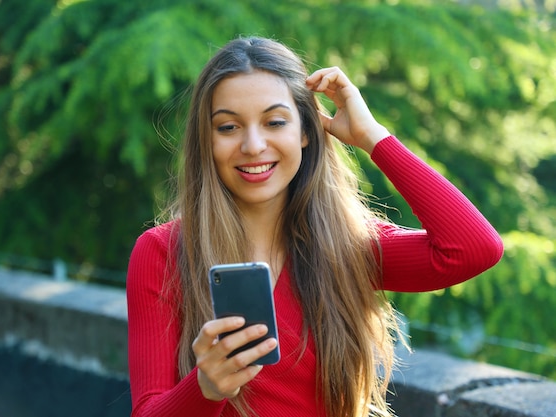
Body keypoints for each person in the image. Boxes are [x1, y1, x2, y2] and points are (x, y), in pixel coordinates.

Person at [126, 36, 503, 417]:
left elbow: (473, 249)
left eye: (274, 122)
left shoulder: (347, 245)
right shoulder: (162, 252)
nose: (253, 145)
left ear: (306, 131)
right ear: (206, 140)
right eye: (228, 127)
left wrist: (373, 137)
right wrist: (205, 388)